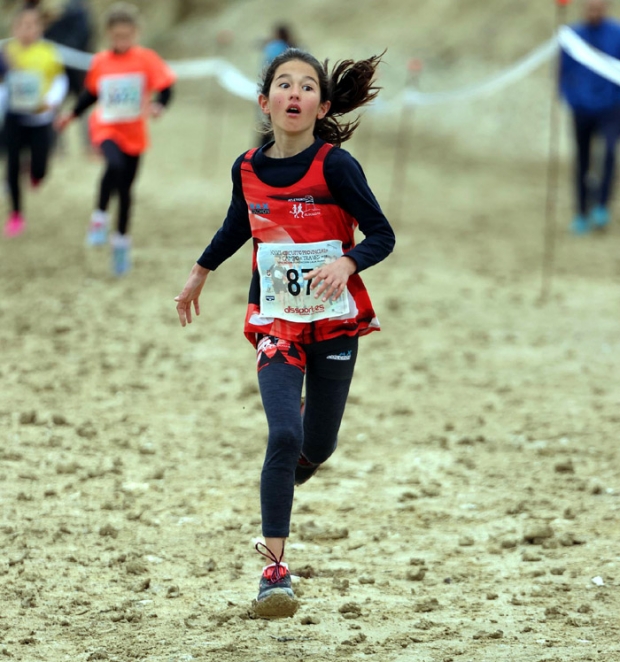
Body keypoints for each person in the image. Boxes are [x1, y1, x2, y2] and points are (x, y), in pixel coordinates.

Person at [174, 48, 395, 618]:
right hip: (274, 322)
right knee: (283, 435)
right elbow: (236, 225)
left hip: (334, 322)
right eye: (283, 84)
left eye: (306, 87)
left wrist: (347, 263)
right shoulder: (246, 167)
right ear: (264, 100)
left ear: (321, 106)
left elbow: (382, 234)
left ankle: (291, 468)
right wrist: (200, 272)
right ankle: (274, 570)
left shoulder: (336, 166)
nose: (294, 94)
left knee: (316, 446)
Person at [56, 2, 175, 275]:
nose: (121, 40)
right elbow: (91, 95)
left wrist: (160, 105)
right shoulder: (100, 62)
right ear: (108, 34)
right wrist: (70, 115)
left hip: (135, 134)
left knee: (125, 191)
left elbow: (166, 87)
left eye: (127, 35)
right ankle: (99, 217)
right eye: (116, 35)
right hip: (106, 128)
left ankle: (121, 242)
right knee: (114, 165)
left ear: (136, 33)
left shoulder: (146, 59)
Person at [2, 5, 67, 237]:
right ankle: (16, 215)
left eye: (32, 25)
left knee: (40, 168)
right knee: (10, 165)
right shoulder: (7, 52)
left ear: (40, 27)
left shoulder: (49, 52)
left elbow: (60, 80)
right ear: (14, 28)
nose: (27, 30)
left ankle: (35, 173)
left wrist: (51, 101)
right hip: (14, 118)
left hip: (40, 119)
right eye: (22, 25)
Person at [560, 0, 620, 234]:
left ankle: (602, 206)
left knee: (608, 153)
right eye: (590, 7)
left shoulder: (617, 34)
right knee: (582, 160)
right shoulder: (572, 35)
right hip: (581, 108)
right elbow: (563, 71)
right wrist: (570, 97)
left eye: (598, 7)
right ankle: (581, 212)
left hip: (610, 108)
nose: (593, 11)